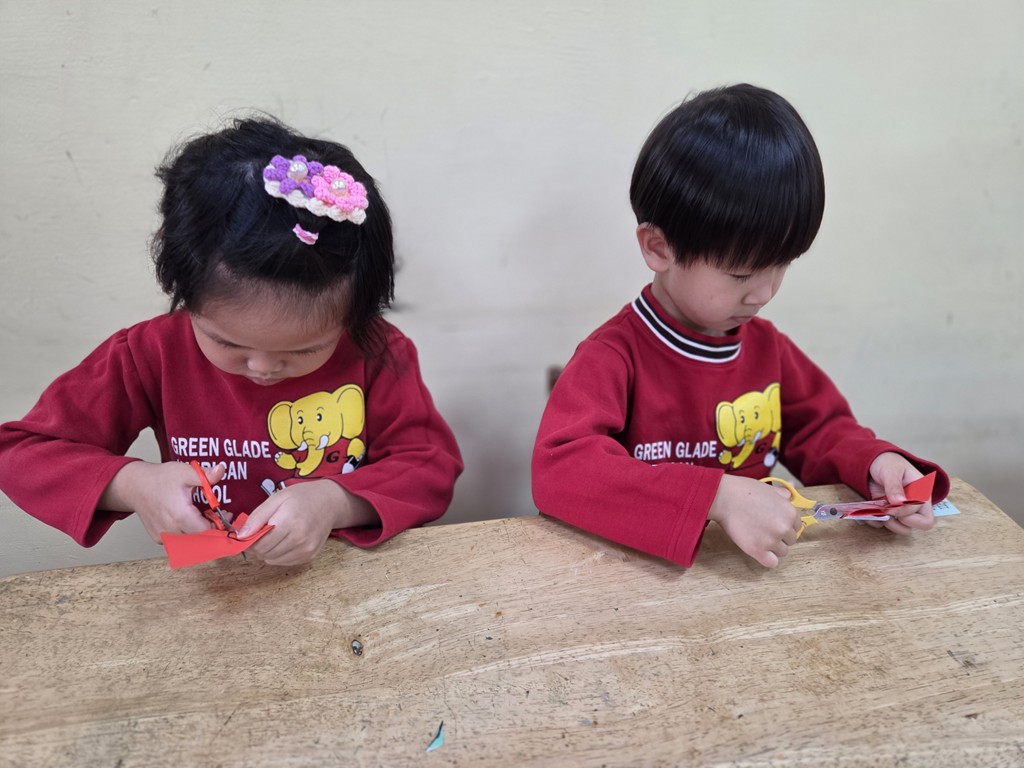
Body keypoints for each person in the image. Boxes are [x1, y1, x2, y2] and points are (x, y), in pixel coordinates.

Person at [0, 116, 463, 566]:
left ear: (355, 314)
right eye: (227, 343)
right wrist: (135, 484)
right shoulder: (150, 354)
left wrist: (335, 501)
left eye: (304, 350)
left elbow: (430, 466)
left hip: (346, 577)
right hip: (215, 587)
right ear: (182, 292)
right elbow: (20, 454)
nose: (263, 367)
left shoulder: (377, 351)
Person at [531, 84, 949, 569]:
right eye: (741, 274)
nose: (764, 293)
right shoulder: (613, 356)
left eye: (782, 265)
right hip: (640, 583)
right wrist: (715, 497)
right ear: (659, 248)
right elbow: (559, 470)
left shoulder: (768, 349)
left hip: (743, 580)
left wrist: (875, 465)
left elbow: (824, 428)